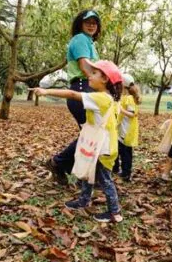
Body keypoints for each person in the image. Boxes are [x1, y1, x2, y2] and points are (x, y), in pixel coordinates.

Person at [34, 60, 124, 223]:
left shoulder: (100, 98)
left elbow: (72, 95)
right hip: (99, 143)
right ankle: (83, 200)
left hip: (102, 148)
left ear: (105, 79)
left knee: (105, 180)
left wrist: (46, 92)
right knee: (88, 172)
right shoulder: (111, 98)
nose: (89, 75)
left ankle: (114, 212)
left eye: (94, 73)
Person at [46, 10, 101, 185]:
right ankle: (61, 163)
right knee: (92, 134)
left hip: (87, 89)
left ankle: (71, 169)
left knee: (92, 134)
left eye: (95, 22)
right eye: (88, 22)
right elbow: (85, 67)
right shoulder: (79, 39)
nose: (92, 25)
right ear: (80, 24)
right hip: (81, 88)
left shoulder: (89, 42)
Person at [113, 74, 140, 182]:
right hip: (122, 129)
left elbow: (132, 114)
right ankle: (121, 170)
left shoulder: (129, 98)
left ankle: (126, 174)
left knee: (126, 153)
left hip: (127, 130)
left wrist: (120, 109)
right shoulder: (125, 97)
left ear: (123, 86)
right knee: (121, 150)